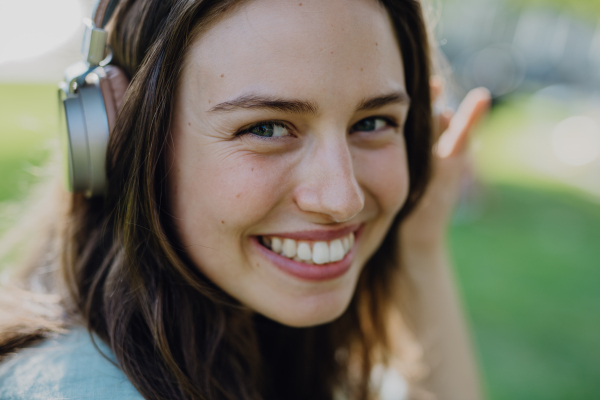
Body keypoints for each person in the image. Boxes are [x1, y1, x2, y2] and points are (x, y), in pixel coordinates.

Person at [0, 0, 490, 399]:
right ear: (120, 143)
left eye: (372, 122)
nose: (341, 199)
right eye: (266, 127)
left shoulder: (272, 338)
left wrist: (420, 245)